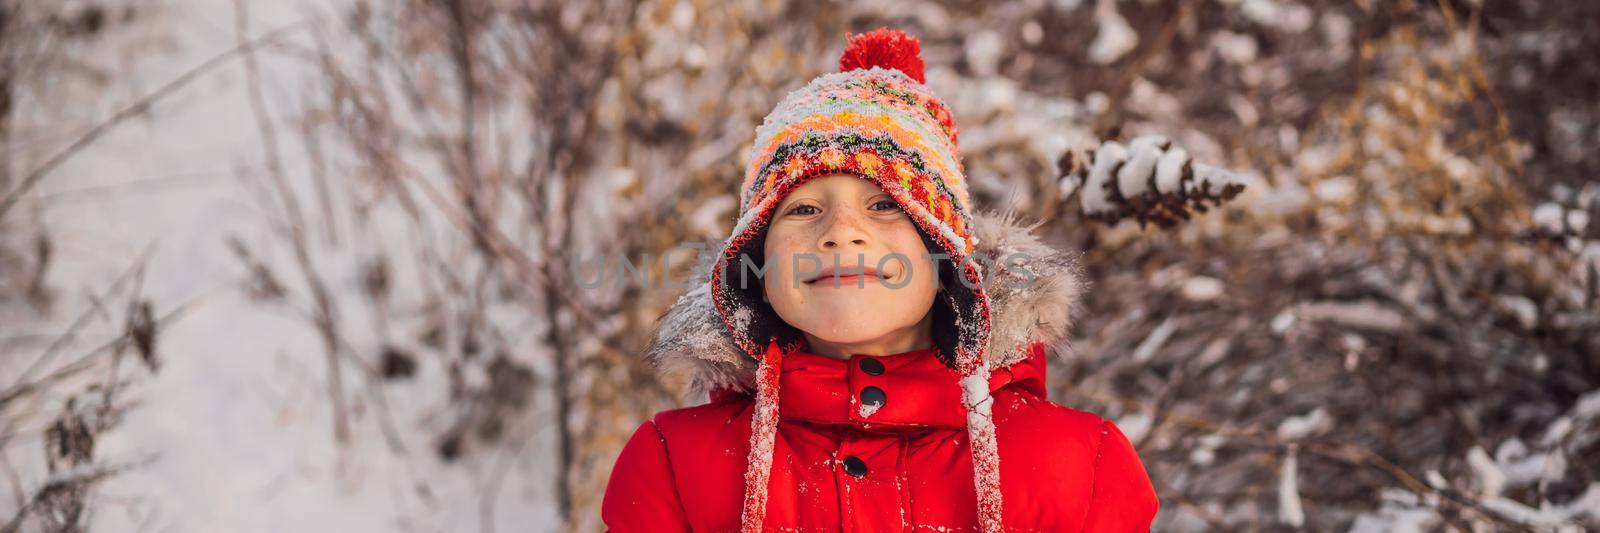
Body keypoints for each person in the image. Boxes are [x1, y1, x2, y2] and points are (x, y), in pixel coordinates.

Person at [602, 27, 1158, 532]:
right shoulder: (673, 464)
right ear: (756, 260)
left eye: (884, 206)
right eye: (800, 210)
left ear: (944, 251)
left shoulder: (1081, 465)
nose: (842, 233)